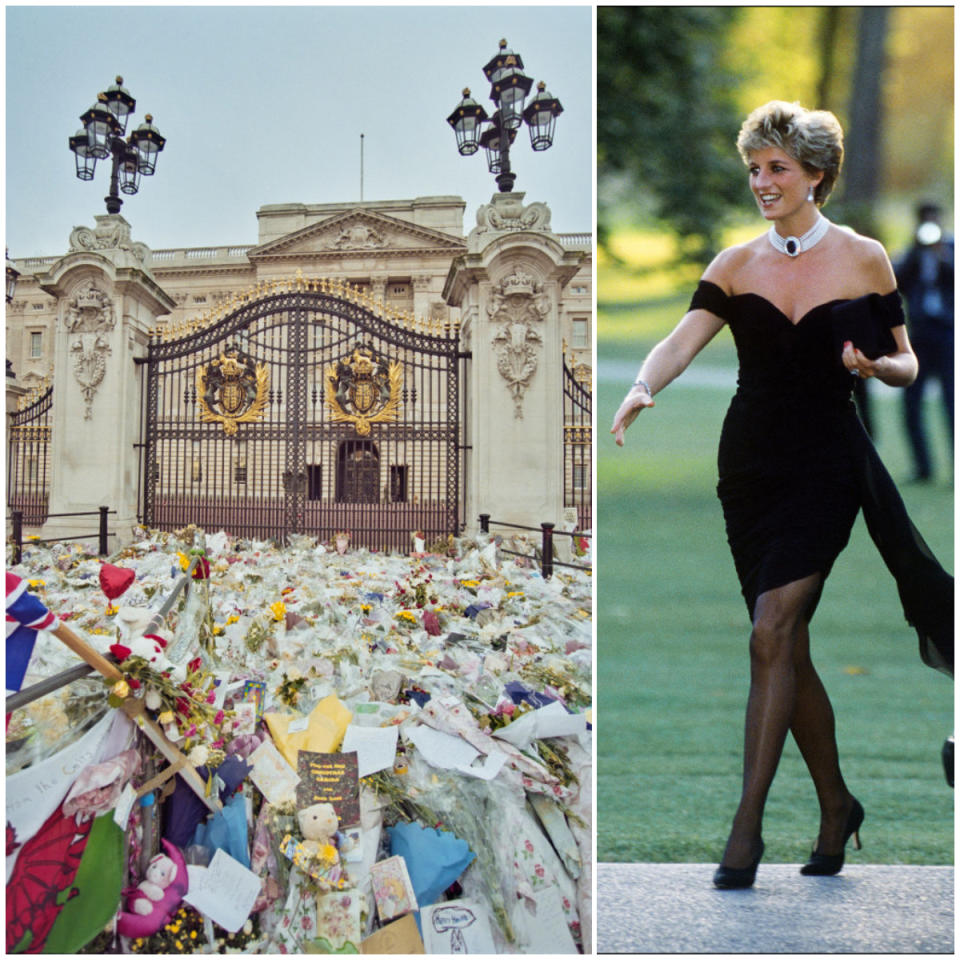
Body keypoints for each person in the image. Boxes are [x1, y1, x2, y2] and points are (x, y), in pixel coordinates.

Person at [610, 101, 953, 890]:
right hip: (750, 469)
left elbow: (908, 364)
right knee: (785, 645)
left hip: (829, 463)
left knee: (769, 633)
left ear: (816, 177)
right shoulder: (735, 264)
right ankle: (837, 806)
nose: (763, 182)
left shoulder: (866, 258)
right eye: (755, 169)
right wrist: (639, 386)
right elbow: (679, 339)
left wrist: (875, 370)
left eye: (778, 170)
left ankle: (745, 829)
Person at [895, 203, 954, 482]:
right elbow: (897, 283)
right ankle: (923, 468)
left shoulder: (951, 248)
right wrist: (916, 253)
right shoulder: (912, 252)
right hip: (919, 334)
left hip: (948, 333)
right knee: (911, 402)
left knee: (952, 403)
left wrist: (941, 257)